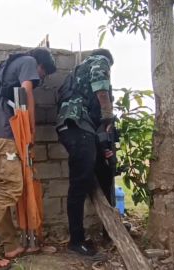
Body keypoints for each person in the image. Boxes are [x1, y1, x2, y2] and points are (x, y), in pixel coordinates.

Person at [0, 48, 56, 270]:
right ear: (39, 65)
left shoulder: (5, 67)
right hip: (5, 134)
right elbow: (26, 94)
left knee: (4, 188)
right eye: (42, 74)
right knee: (12, 187)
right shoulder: (28, 61)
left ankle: (11, 244)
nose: (40, 79)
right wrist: (31, 130)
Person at [55, 48, 114, 258]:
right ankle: (76, 241)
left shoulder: (76, 74)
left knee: (98, 174)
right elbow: (101, 87)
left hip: (74, 126)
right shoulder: (100, 60)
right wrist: (109, 117)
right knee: (79, 184)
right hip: (77, 126)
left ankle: (109, 231)